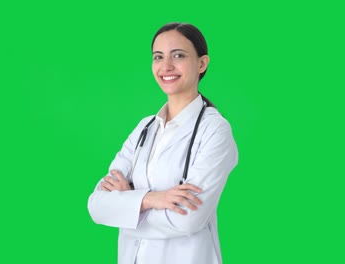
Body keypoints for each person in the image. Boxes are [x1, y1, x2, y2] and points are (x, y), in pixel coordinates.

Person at [87, 22, 238, 264]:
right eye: (158, 57)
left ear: (202, 63)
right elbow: (96, 206)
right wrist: (152, 199)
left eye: (178, 55)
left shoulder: (215, 130)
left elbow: (188, 219)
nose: (166, 66)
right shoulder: (144, 128)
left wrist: (127, 208)